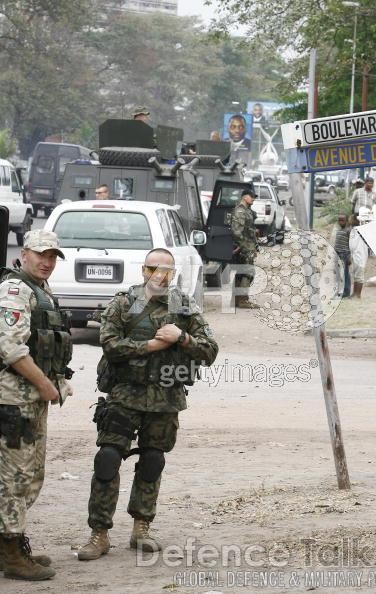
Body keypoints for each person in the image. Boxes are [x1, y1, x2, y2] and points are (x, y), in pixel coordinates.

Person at [78, 248, 218, 561]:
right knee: (108, 458)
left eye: (167, 270)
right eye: (154, 269)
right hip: (125, 395)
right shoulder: (125, 303)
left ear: (174, 274)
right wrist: (152, 345)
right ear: (144, 271)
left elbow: (210, 350)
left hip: (165, 399)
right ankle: (99, 534)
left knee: (153, 461)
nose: (160, 275)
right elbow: (109, 343)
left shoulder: (184, 306)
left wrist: (182, 337)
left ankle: (141, 527)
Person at [0, 230, 73, 581]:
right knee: (15, 477)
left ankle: (11, 542)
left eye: (53, 256)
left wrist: (56, 382)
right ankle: (11, 554)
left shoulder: (40, 291)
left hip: (31, 400)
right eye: (41, 254)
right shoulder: (15, 291)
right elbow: (11, 350)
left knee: (30, 475)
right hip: (13, 401)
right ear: (24, 253)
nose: (47, 262)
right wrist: (45, 385)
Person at [231, 189, 260, 309]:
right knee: (248, 272)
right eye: (251, 196)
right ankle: (242, 300)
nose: (253, 198)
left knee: (242, 272)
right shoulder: (240, 211)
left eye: (254, 196)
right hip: (244, 246)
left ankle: (238, 300)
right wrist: (243, 246)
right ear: (244, 197)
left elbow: (247, 229)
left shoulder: (247, 210)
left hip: (247, 245)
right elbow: (237, 231)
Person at [348, 214, 369, 298]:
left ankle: (358, 294)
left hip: (360, 256)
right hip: (354, 255)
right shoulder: (353, 230)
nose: (350, 221)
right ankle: (354, 293)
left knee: (359, 276)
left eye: (352, 219)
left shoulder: (362, 230)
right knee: (356, 276)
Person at [332, 214, 351, 298]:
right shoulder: (339, 230)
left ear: (347, 221)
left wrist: (349, 256)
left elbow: (351, 244)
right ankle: (339, 291)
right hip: (337, 253)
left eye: (342, 220)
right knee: (337, 274)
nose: (340, 222)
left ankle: (346, 292)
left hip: (344, 254)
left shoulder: (348, 230)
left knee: (345, 274)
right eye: (339, 220)